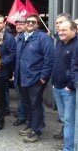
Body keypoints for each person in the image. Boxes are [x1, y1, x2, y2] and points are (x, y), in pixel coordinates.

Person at [15, 14, 54, 143]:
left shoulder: (43, 38)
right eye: (28, 21)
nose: (30, 23)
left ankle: (36, 131)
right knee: (27, 104)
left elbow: (49, 59)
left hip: (36, 79)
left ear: (37, 24)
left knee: (35, 105)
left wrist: (43, 77)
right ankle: (31, 124)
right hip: (22, 78)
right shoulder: (21, 37)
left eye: (33, 22)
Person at [52, 20, 77, 151]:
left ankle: (69, 148)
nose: (60, 32)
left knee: (69, 121)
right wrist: (54, 83)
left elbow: (76, 68)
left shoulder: (76, 45)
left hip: (68, 90)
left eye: (64, 30)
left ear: (74, 31)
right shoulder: (60, 44)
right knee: (64, 119)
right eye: (59, 30)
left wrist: (70, 86)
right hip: (57, 87)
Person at [12, 18, 27, 126]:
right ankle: (22, 116)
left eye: (21, 24)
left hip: (29, 74)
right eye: (17, 24)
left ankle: (39, 120)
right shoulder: (16, 38)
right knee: (20, 97)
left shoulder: (29, 38)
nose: (18, 26)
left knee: (33, 99)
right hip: (18, 73)